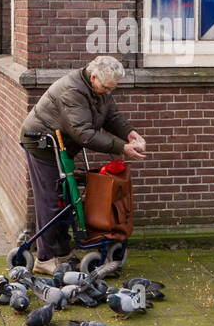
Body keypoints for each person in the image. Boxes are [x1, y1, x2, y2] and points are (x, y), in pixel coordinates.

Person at [19, 55, 146, 273]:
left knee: (66, 199)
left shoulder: (99, 89)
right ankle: (45, 258)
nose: (108, 92)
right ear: (94, 76)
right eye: (106, 87)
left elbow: (112, 116)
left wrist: (130, 133)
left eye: (111, 89)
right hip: (42, 144)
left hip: (62, 146)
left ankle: (62, 251)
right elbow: (84, 134)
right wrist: (121, 148)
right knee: (50, 199)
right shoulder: (73, 90)